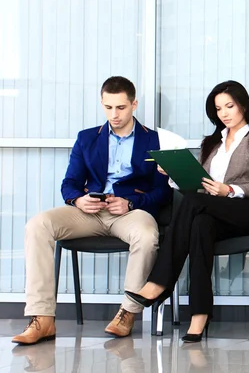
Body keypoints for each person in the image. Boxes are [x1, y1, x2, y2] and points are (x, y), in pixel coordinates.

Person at [12, 76, 172, 345]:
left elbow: (164, 192)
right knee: (38, 225)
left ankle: (128, 313)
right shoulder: (87, 138)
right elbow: (70, 183)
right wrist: (77, 200)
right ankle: (42, 319)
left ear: (134, 104)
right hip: (90, 211)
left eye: (120, 107)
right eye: (108, 107)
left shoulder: (155, 140)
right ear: (102, 103)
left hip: (131, 212)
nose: (114, 114)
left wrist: (131, 203)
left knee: (146, 235)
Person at [125, 80, 249, 343]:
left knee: (194, 206)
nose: (224, 113)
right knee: (200, 225)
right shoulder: (212, 142)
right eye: (218, 109)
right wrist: (175, 174)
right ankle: (199, 315)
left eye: (229, 106)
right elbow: (199, 188)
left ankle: (160, 282)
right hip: (213, 211)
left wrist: (227, 189)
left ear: (243, 106)